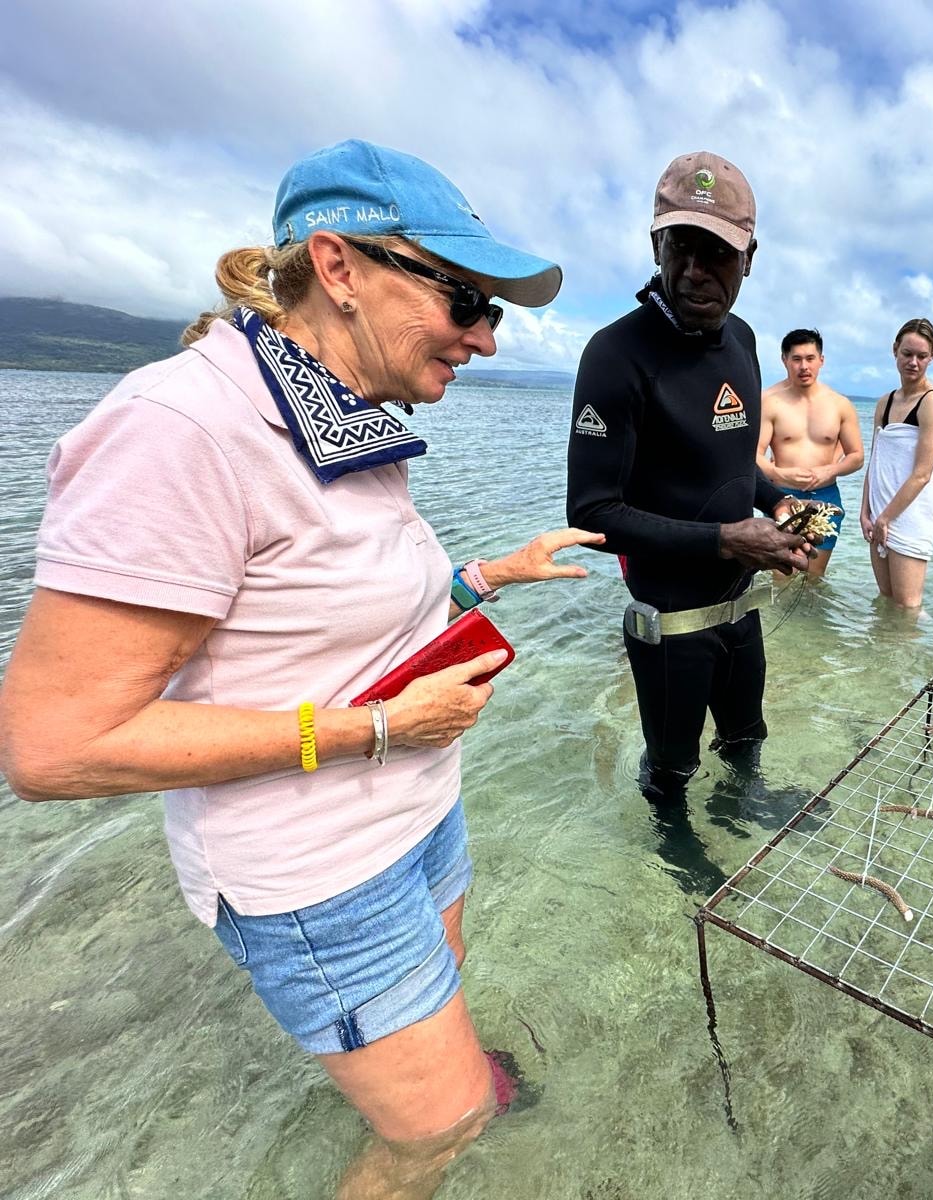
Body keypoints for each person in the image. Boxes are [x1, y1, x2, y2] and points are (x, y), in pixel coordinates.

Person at [0, 139, 600, 1200]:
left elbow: (330, 618)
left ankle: (425, 1065)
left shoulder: (330, 410)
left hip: (414, 818)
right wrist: (372, 731)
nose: (487, 340)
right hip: (320, 876)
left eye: (492, 313)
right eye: (465, 300)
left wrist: (490, 574)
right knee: (438, 1137)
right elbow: (53, 747)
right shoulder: (181, 426)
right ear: (337, 267)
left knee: (445, 1016)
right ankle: (432, 1104)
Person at [565, 151, 810, 805]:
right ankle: (676, 871)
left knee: (745, 739)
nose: (697, 272)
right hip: (670, 624)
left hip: (742, 607)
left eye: (719, 254)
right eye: (682, 248)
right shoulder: (616, 355)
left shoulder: (746, 341)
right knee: (672, 770)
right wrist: (728, 540)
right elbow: (591, 514)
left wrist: (779, 500)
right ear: (656, 243)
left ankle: (742, 812)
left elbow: (729, 465)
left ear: (749, 257)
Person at [757, 328, 865, 577]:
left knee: (814, 579)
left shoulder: (839, 405)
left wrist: (831, 469)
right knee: (783, 578)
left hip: (825, 497)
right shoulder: (769, 402)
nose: (804, 366)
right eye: (796, 359)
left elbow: (856, 455)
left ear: (821, 360)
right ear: (784, 360)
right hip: (781, 496)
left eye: (810, 358)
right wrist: (780, 473)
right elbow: (754, 456)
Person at [860, 318, 933, 609]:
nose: (913, 362)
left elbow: (922, 474)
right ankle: (881, 656)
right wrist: (866, 512)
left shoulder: (932, 402)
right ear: (895, 350)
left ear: (932, 357)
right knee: (885, 602)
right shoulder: (884, 402)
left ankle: (911, 657)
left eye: (922, 356)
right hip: (879, 513)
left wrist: (886, 517)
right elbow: (875, 463)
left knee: (908, 608)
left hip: (909, 517)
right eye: (907, 354)